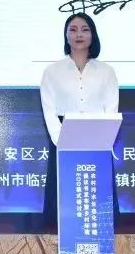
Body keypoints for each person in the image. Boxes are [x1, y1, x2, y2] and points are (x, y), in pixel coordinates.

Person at [39, 13, 119, 229]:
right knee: (64, 193)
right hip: (63, 136)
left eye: (84, 29)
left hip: (98, 135)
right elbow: (49, 110)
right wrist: (63, 141)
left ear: (93, 35)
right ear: (66, 36)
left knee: (97, 194)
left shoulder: (107, 71)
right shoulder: (52, 71)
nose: (79, 34)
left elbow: (111, 108)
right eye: (73, 30)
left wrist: (104, 138)